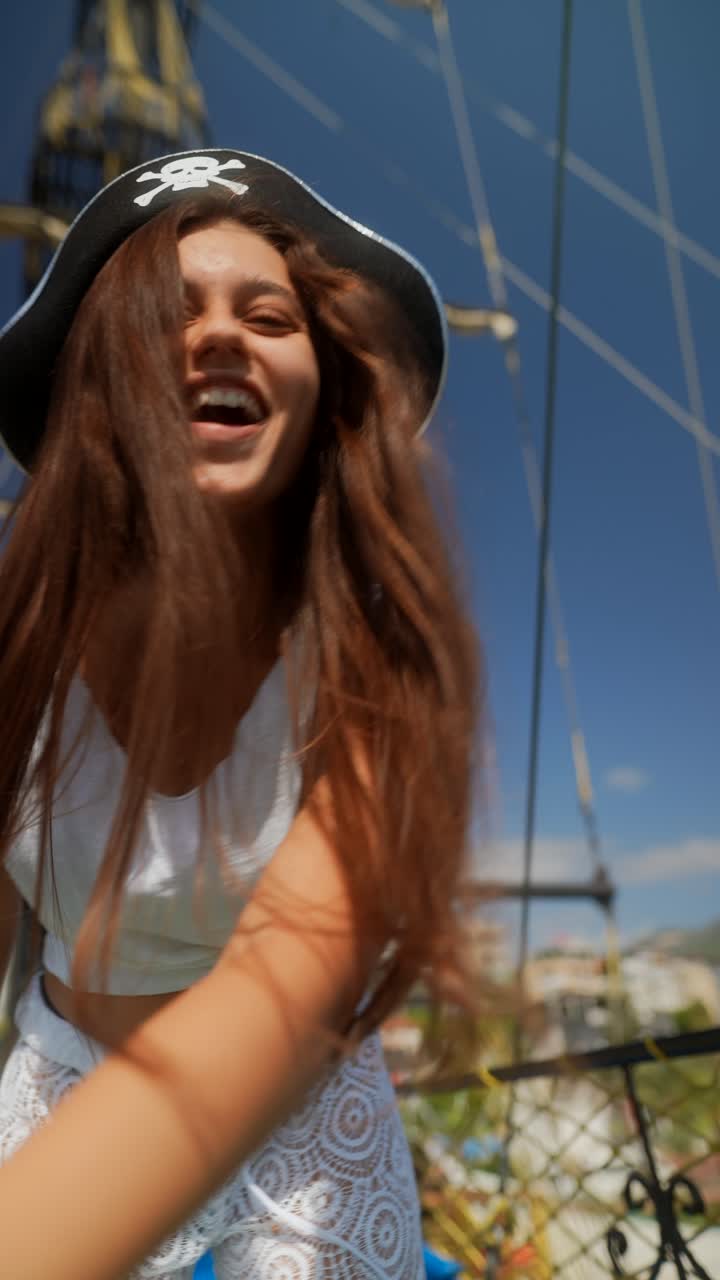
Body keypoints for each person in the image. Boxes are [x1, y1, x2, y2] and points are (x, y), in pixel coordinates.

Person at [0, 148, 480, 1280]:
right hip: (59, 1079)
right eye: (165, 313)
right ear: (98, 377)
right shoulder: (17, 641)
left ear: (325, 387)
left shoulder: (369, 665)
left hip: (301, 1114)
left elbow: (276, 994)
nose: (219, 335)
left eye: (268, 316)